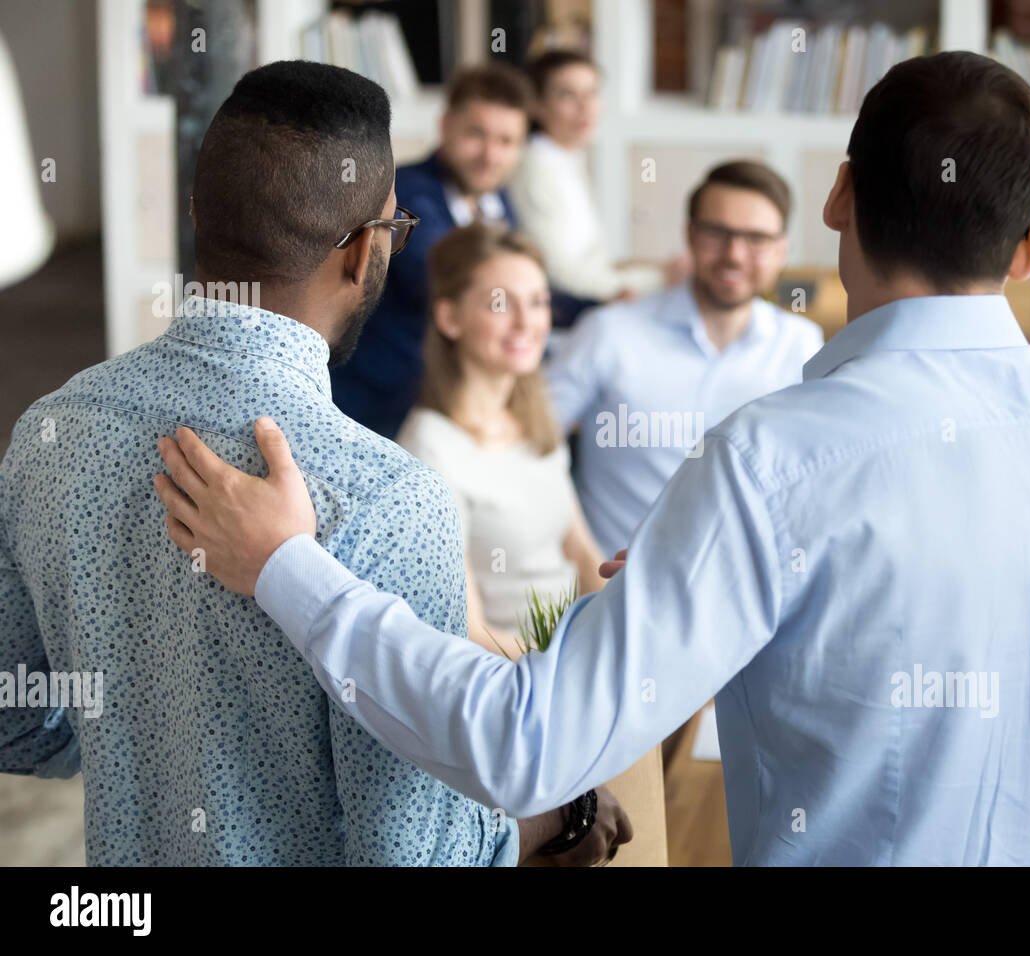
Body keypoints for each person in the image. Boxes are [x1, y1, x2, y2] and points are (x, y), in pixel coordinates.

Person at [154, 52, 1030, 866]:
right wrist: (743, 594)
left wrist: (285, 565)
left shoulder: (776, 460)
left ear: (835, 199)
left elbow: (525, 745)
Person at [0, 60, 628, 866]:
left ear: (199, 216)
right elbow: (411, 854)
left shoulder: (51, 431)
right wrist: (560, 821)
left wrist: (146, 742)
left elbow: (15, 720)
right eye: (396, 229)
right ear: (365, 252)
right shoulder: (389, 499)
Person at [547, 159, 823, 559]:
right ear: (690, 236)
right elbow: (528, 445)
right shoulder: (610, 332)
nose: (734, 254)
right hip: (618, 590)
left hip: (754, 593)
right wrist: (580, 556)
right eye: (718, 233)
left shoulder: (801, 345)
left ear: (782, 250)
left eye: (756, 239)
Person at [396, 223, 606, 659]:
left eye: (538, 302)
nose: (526, 323)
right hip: (515, 683)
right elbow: (469, 632)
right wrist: (572, 668)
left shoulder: (536, 420)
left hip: (574, 656)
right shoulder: (431, 449)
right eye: (500, 304)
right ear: (450, 318)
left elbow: (582, 553)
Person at [331, 63, 533, 440]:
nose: (490, 155)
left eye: (507, 142)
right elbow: (452, 283)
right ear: (445, 127)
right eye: (477, 134)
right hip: (380, 408)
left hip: (447, 401)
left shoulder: (497, 200)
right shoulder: (404, 194)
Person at [511, 49, 689, 328]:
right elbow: (560, 276)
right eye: (567, 95)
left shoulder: (567, 157)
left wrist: (660, 270)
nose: (586, 107)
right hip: (564, 318)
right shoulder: (536, 166)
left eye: (592, 93)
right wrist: (662, 278)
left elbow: (593, 262)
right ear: (537, 105)